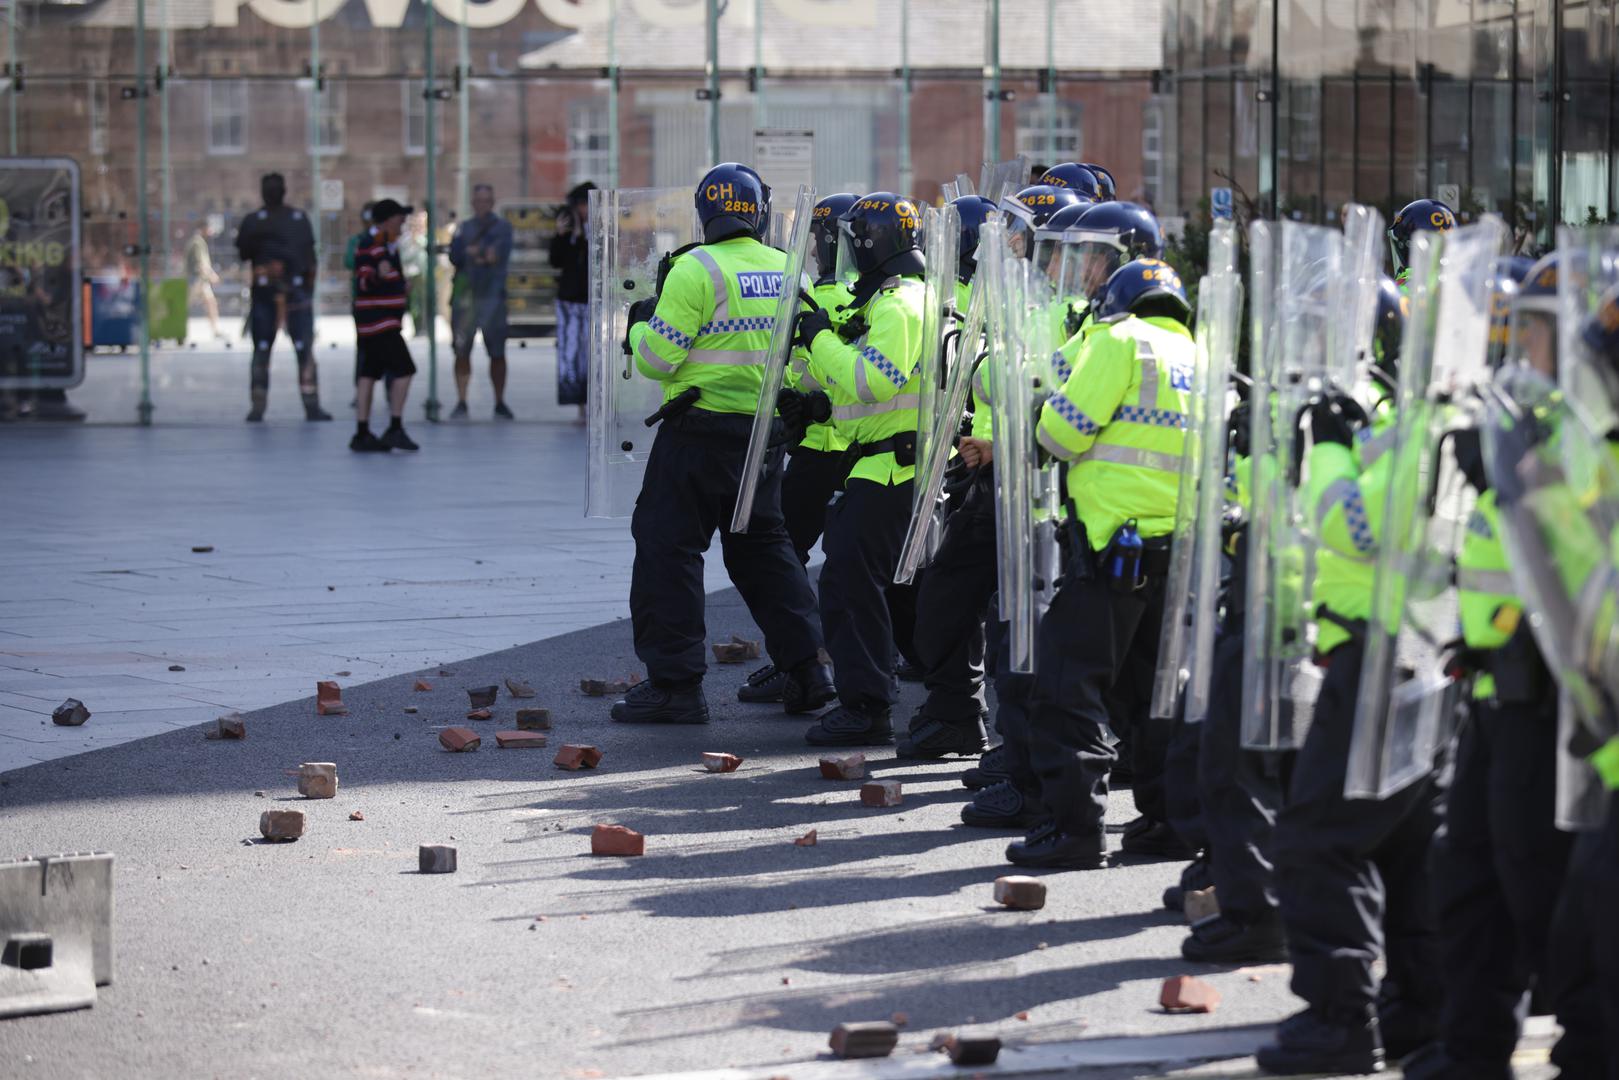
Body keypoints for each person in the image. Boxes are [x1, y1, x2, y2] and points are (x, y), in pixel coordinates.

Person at [1256, 271, 1448, 1075]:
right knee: (1404, 845)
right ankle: (1417, 1009)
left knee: (1318, 840)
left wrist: (1326, 447)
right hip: (1404, 655)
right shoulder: (1410, 419)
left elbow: (1355, 526)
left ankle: (1339, 1018)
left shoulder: (1405, 425)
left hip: (1379, 659)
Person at [1399, 254, 1571, 1080]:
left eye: (1532, 328)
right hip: (1495, 680)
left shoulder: (1590, 432)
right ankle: (1469, 1051)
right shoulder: (1527, 416)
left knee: (1543, 893)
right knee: (1466, 875)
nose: (1518, 343)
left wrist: (1517, 484)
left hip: (1562, 704)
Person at [614, 162, 834, 726]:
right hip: (762, 435)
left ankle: (676, 686)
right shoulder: (790, 272)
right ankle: (809, 671)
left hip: (696, 433)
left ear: (704, 212)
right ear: (758, 212)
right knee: (763, 548)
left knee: (669, 549)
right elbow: (807, 361)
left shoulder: (695, 270)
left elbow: (656, 358)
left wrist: (640, 322)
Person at [1005, 257, 1195, 870]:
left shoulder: (1119, 342)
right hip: (1180, 552)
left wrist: (1039, 409)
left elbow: (1062, 433)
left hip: (1114, 547)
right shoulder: (1201, 356)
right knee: (1156, 693)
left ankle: (1075, 829)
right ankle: (1169, 822)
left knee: (1067, 687)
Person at [790, 193, 931, 747]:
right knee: (896, 588)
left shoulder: (899, 306)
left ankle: (867, 704)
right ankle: (944, 697)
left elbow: (873, 381)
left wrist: (818, 337)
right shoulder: (903, 298)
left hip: (890, 470)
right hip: (885, 465)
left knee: (848, 583)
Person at [734, 191, 858, 708]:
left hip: (818, 449)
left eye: (814, 239)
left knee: (778, 561)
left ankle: (805, 663)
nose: (808, 250)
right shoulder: (867, 294)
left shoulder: (820, 296)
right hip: (855, 450)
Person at [234, 172, 331, 422]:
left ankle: (301, 405)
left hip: (290, 294)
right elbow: (245, 252)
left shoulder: (270, 220)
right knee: (271, 350)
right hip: (274, 295)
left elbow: (309, 260)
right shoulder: (273, 220)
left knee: (297, 350)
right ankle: (265, 406)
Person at [349, 199, 419, 453]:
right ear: (388, 219)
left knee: (369, 373)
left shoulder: (386, 244)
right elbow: (364, 281)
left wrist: (399, 285)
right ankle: (395, 427)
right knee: (405, 369)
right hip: (380, 322)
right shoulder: (373, 244)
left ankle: (362, 430)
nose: (403, 222)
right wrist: (380, 274)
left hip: (375, 321)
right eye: (400, 217)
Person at [449, 183, 515, 419]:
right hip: (466, 299)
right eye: (479, 200)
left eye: (487, 200)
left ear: (493, 201)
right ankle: (462, 399)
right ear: (473, 203)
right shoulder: (464, 228)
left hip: (493, 299)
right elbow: (456, 256)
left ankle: (499, 400)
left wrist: (476, 253)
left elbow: (495, 256)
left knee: (497, 352)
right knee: (461, 351)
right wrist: (478, 254)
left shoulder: (503, 228)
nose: (482, 205)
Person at [549, 181, 595, 422]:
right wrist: (562, 236)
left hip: (593, 300)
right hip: (570, 300)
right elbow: (555, 261)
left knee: (592, 352)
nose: (584, 210)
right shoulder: (567, 232)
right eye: (580, 205)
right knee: (572, 353)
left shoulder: (600, 230)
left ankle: (593, 402)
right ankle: (579, 404)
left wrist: (584, 238)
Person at [184, 219, 223, 340]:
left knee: (211, 302)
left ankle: (215, 330)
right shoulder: (197, 243)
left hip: (201, 280)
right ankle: (176, 329)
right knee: (185, 306)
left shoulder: (198, 242)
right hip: (196, 280)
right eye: (208, 228)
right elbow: (201, 263)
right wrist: (212, 276)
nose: (210, 231)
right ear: (202, 228)